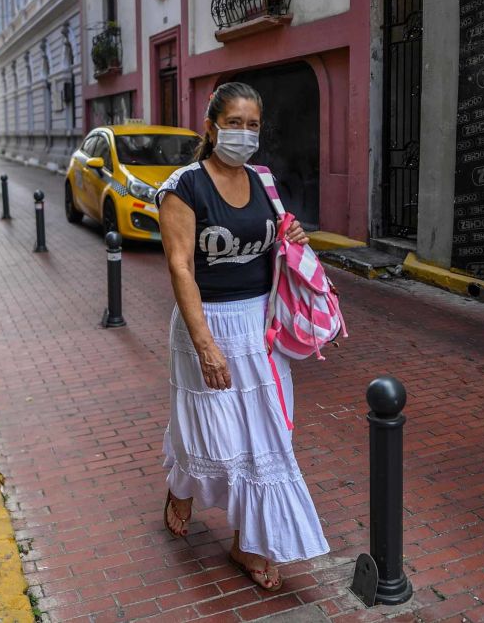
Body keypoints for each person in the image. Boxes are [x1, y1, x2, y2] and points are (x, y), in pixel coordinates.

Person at [155, 82, 329, 592]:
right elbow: (180, 268)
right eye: (235, 123)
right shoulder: (184, 187)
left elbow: (275, 246)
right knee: (213, 435)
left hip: (260, 326)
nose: (245, 134)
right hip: (204, 324)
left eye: (253, 125)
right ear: (211, 127)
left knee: (265, 435)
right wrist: (206, 345)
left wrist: (293, 237)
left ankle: (248, 543)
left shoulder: (263, 182)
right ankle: (180, 486)